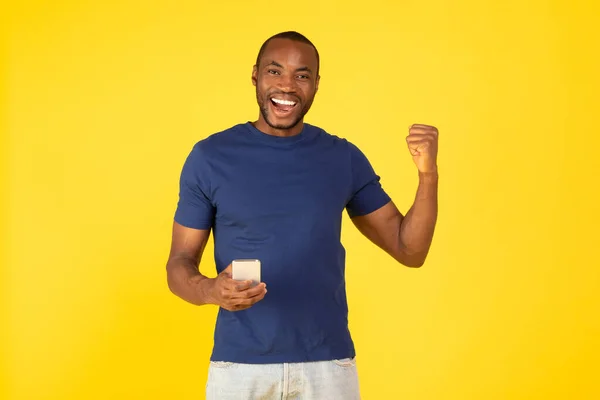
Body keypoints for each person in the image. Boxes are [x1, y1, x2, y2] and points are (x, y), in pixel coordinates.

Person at [166, 31, 439, 400]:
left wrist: (428, 174)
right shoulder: (210, 157)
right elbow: (179, 265)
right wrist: (211, 290)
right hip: (240, 369)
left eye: (302, 75)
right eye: (274, 72)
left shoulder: (342, 158)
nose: (287, 86)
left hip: (327, 367)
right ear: (255, 76)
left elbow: (410, 250)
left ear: (316, 85)